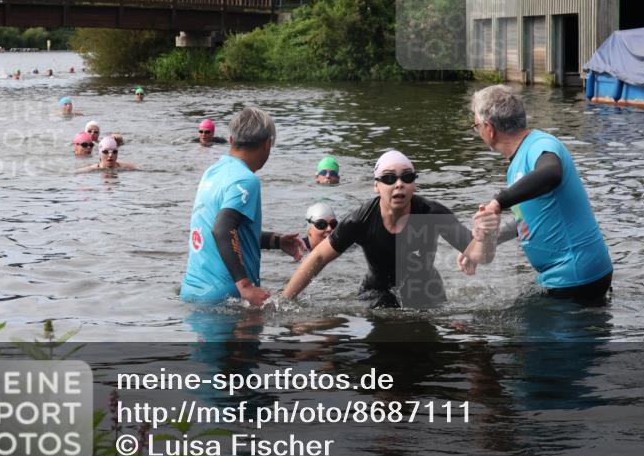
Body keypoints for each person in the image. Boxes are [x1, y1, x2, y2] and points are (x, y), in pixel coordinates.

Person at [269, 150, 496, 310]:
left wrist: (485, 234)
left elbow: (481, 256)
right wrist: (284, 300)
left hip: (425, 288)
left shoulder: (432, 214)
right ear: (376, 185)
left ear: (414, 184)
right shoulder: (360, 220)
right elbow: (318, 257)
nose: (398, 184)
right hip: (377, 291)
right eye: (388, 178)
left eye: (406, 177)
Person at [466, 85, 613, 302]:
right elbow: (529, 220)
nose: (477, 131)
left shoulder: (540, 144)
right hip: (566, 275)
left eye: (476, 125)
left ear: (489, 128)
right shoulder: (518, 161)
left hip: (575, 275)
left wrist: (499, 201)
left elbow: (551, 173)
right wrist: (487, 238)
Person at [180, 107, 305, 305]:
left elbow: (228, 232)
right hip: (225, 299)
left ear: (231, 140)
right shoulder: (247, 180)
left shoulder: (212, 172)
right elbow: (222, 229)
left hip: (192, 292)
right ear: (267, 144)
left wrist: (276, 241)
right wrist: (245, 286)